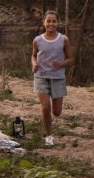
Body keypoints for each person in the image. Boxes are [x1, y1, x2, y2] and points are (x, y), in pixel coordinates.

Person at [31, 10, 73, 146]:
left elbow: (70, 58)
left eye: (54, 21)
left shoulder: (64, 39)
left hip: (58, 78)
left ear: (58, 23)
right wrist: (34, 64)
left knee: (57, 112)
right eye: (48, 21)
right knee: (45, 107)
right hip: (41, 76)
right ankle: (49, 136)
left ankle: (49, 121)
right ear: (44, 22)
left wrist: (60, 63)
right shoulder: (37, 40)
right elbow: (33, 55)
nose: (51, 24)